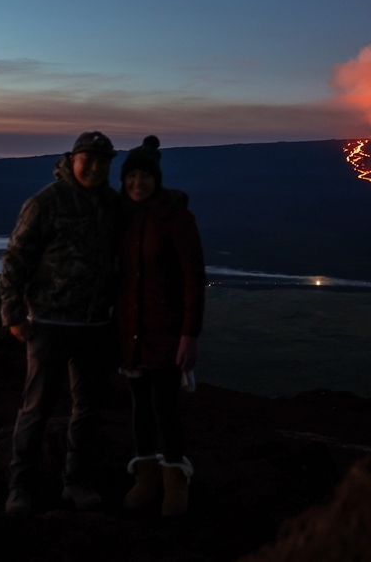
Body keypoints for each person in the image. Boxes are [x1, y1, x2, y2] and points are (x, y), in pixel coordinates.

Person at [0, 132, 120, 516]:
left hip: (96, 324)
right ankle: (20, 488)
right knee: (37, 409)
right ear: (72, 159)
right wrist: (13, 314)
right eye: (89, 159)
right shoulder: (46, 202)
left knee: (87, 409)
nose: (96, 167)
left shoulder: (113, 205)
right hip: (49, 323)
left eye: (104, 161)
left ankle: (76, 482)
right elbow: (16, 258)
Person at [115, 135, 205, 516]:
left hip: (165, 329)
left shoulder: (177, 219)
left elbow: (193, 277)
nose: (138, 183)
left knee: (164, 405)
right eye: (131, 175)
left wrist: (189, 334)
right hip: (129, 329)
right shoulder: (121, 216)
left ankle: (174, 483)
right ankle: (145, 479)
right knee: (139, 405)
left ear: (157, 179)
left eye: (145, 176)